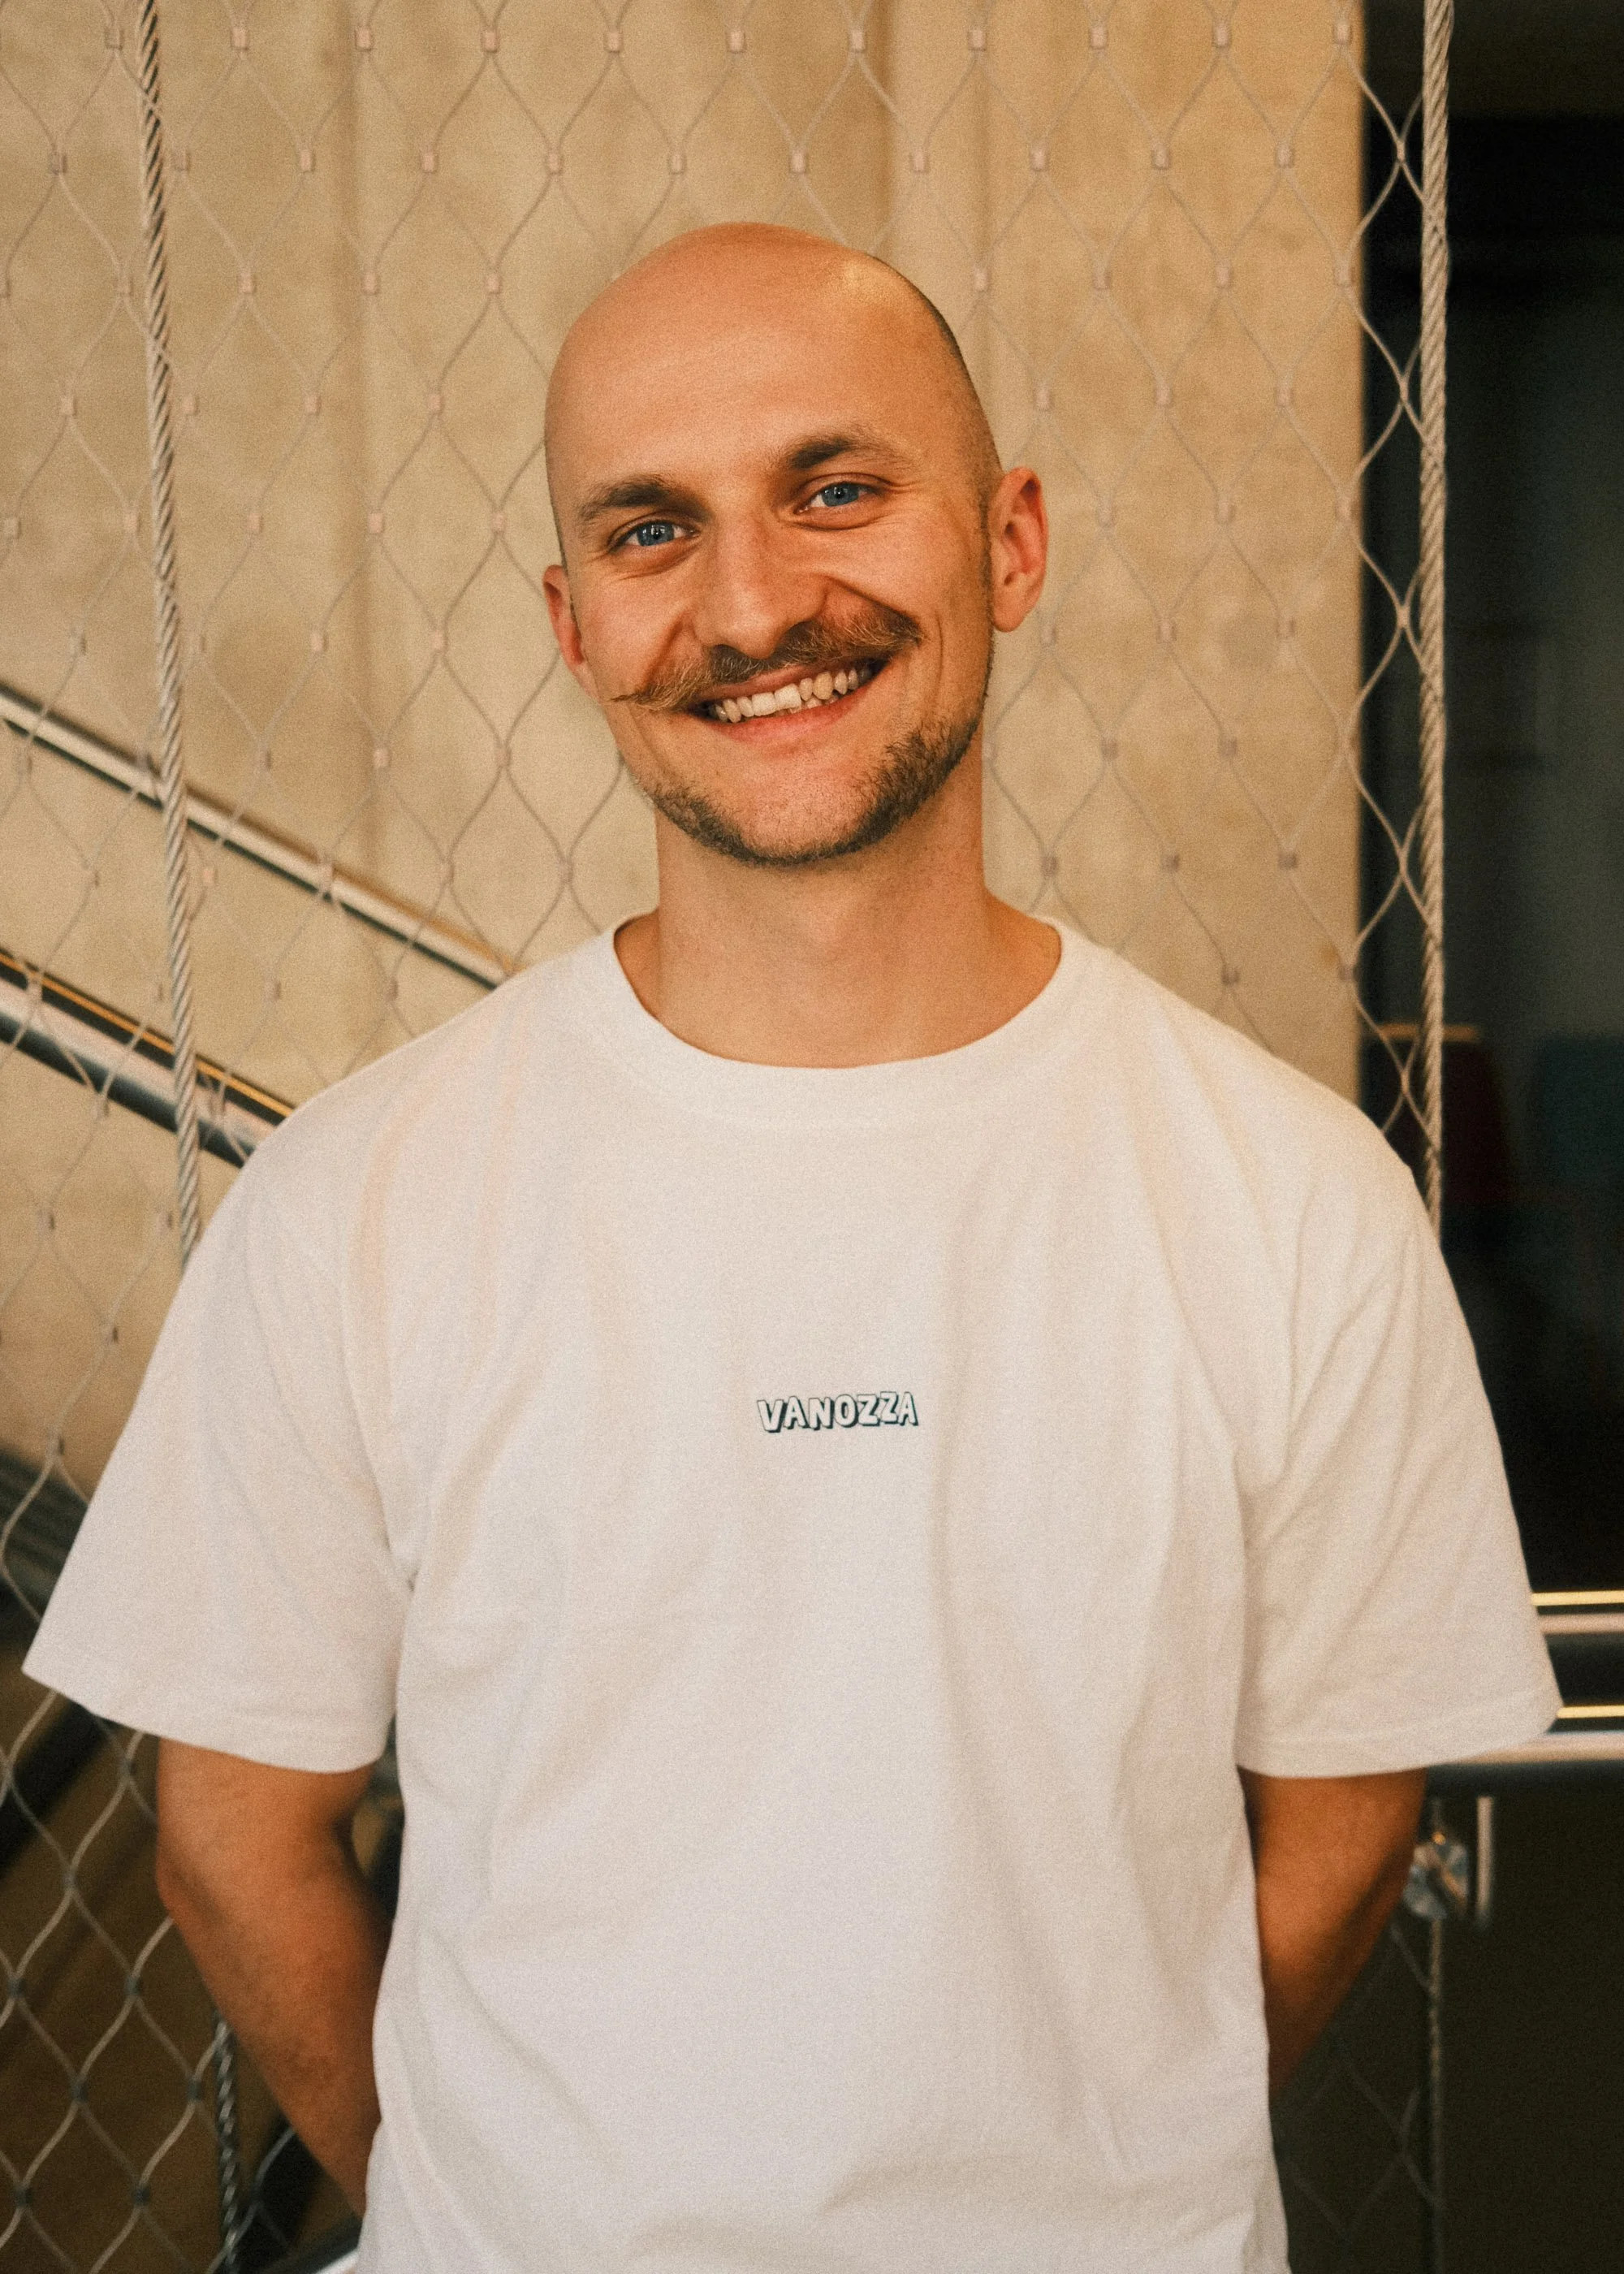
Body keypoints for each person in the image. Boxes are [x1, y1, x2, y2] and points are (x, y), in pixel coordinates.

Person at [27, 224, 1557, 2272]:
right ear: (575, 626)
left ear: (1007, 544)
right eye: (654, 530)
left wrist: (1098, 2165)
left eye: (837, 488)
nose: (752, 605)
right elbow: (230, 1838)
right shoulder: (360, 1197)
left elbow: (1345, 1814)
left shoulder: (1292, 1201)